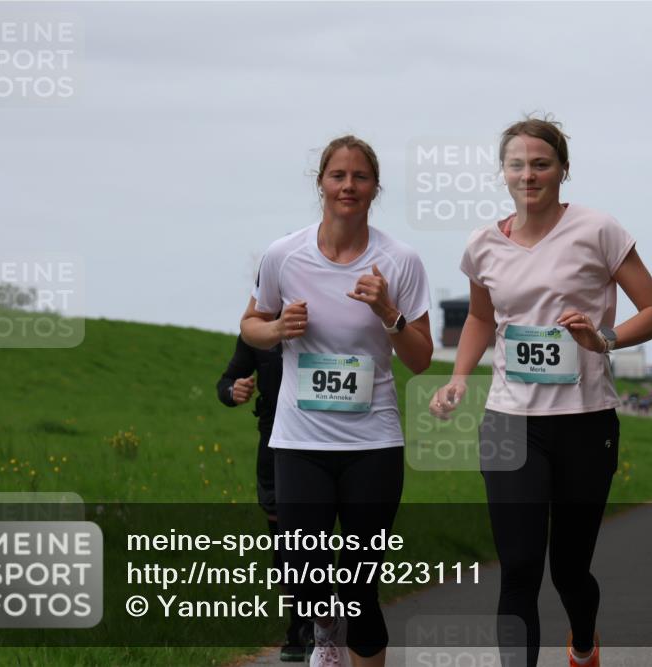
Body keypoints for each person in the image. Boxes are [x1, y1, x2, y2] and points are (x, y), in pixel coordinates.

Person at [429, 116, 652, 667]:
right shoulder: (483, 243)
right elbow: (479, 319)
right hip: (509, 421)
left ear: (563, 169)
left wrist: (602, 338)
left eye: (541, 163)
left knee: (568, 569)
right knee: (518, 567)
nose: (529, 175)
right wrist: (460, 377)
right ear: (503, 172)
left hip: (585, 421)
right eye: (517, 164)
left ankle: (583, 642)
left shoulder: (598, 230)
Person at [240, 135, 433, 667]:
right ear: (321, 183)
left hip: (373, 442)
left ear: (376, 187)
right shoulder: (284, 255)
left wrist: (389, 313)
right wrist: (278, 327)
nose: (349, 186)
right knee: (305, 570)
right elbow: (250, 326)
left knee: (362, 587)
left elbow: (420, 359)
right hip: (300, 440)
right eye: (338, 176)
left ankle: (342, 624)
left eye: (361, 177)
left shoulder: (400, 260)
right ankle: (324, 627)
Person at [216, 335, 312, 661]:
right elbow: (227, 380)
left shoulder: (329, 318)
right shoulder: (258, 334)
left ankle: (313, 623)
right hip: (273, 445)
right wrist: (233, 390)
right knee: (286, 548)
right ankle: (302, 624)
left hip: (325, 443)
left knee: (315, 539)